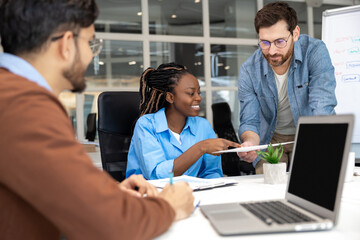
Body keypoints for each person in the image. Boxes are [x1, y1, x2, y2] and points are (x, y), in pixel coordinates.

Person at [0, 1, 194, 239]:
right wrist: (169, 206)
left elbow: (42, 189)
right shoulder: (24, 105)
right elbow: (113, 226)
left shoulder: (10, 95)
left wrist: (104, 195)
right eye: (91, 43)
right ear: (66, 45)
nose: (92, 56)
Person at [237, 2, 337, 174]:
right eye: (265, 42)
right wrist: (250, 144)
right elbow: (250, 121)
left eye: (280, 41)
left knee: (312, 185)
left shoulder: (315, 52)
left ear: (295, 33)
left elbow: (322, 106)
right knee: (267, 188)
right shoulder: (249, 69)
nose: (272, 51)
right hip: (272, 138)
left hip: (309, 134)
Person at [126, 63, 241, 180]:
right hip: (151, 195)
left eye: (199, 93)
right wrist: (200, 148)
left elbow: (212, 172)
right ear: (170, 97)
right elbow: (157, 176)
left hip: (193, 195)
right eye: (191, 93)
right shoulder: (146, 125)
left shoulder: (203, 126)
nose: (198, 98)